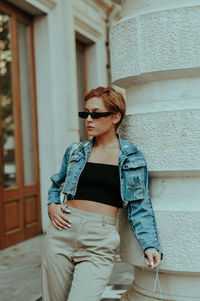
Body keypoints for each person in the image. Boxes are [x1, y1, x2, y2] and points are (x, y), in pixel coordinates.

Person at [41, 86, 162, 301]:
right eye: (85, 113)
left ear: (115, 117)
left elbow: (139, 206)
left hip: (99, 240)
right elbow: (55, 185)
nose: (89, 119)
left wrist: (150, 245)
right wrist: (52, 205)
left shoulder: (132, 157)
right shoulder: (75, 151)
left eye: (96, 114)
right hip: (62, 232)